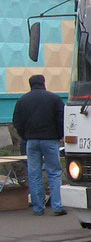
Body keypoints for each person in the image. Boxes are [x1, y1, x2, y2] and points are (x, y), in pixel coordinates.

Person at [12, 75, 67, 216]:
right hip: (50, 140)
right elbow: (62, 119)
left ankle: (38, 208)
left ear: (30, 84)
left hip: (31, 141)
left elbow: (17, 122)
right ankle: (57, 206)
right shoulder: (54, 99)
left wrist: (26, 136)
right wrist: (58, 135)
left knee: (34, 173)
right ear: (43, 83)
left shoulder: (22, 100)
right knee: (54, 172)